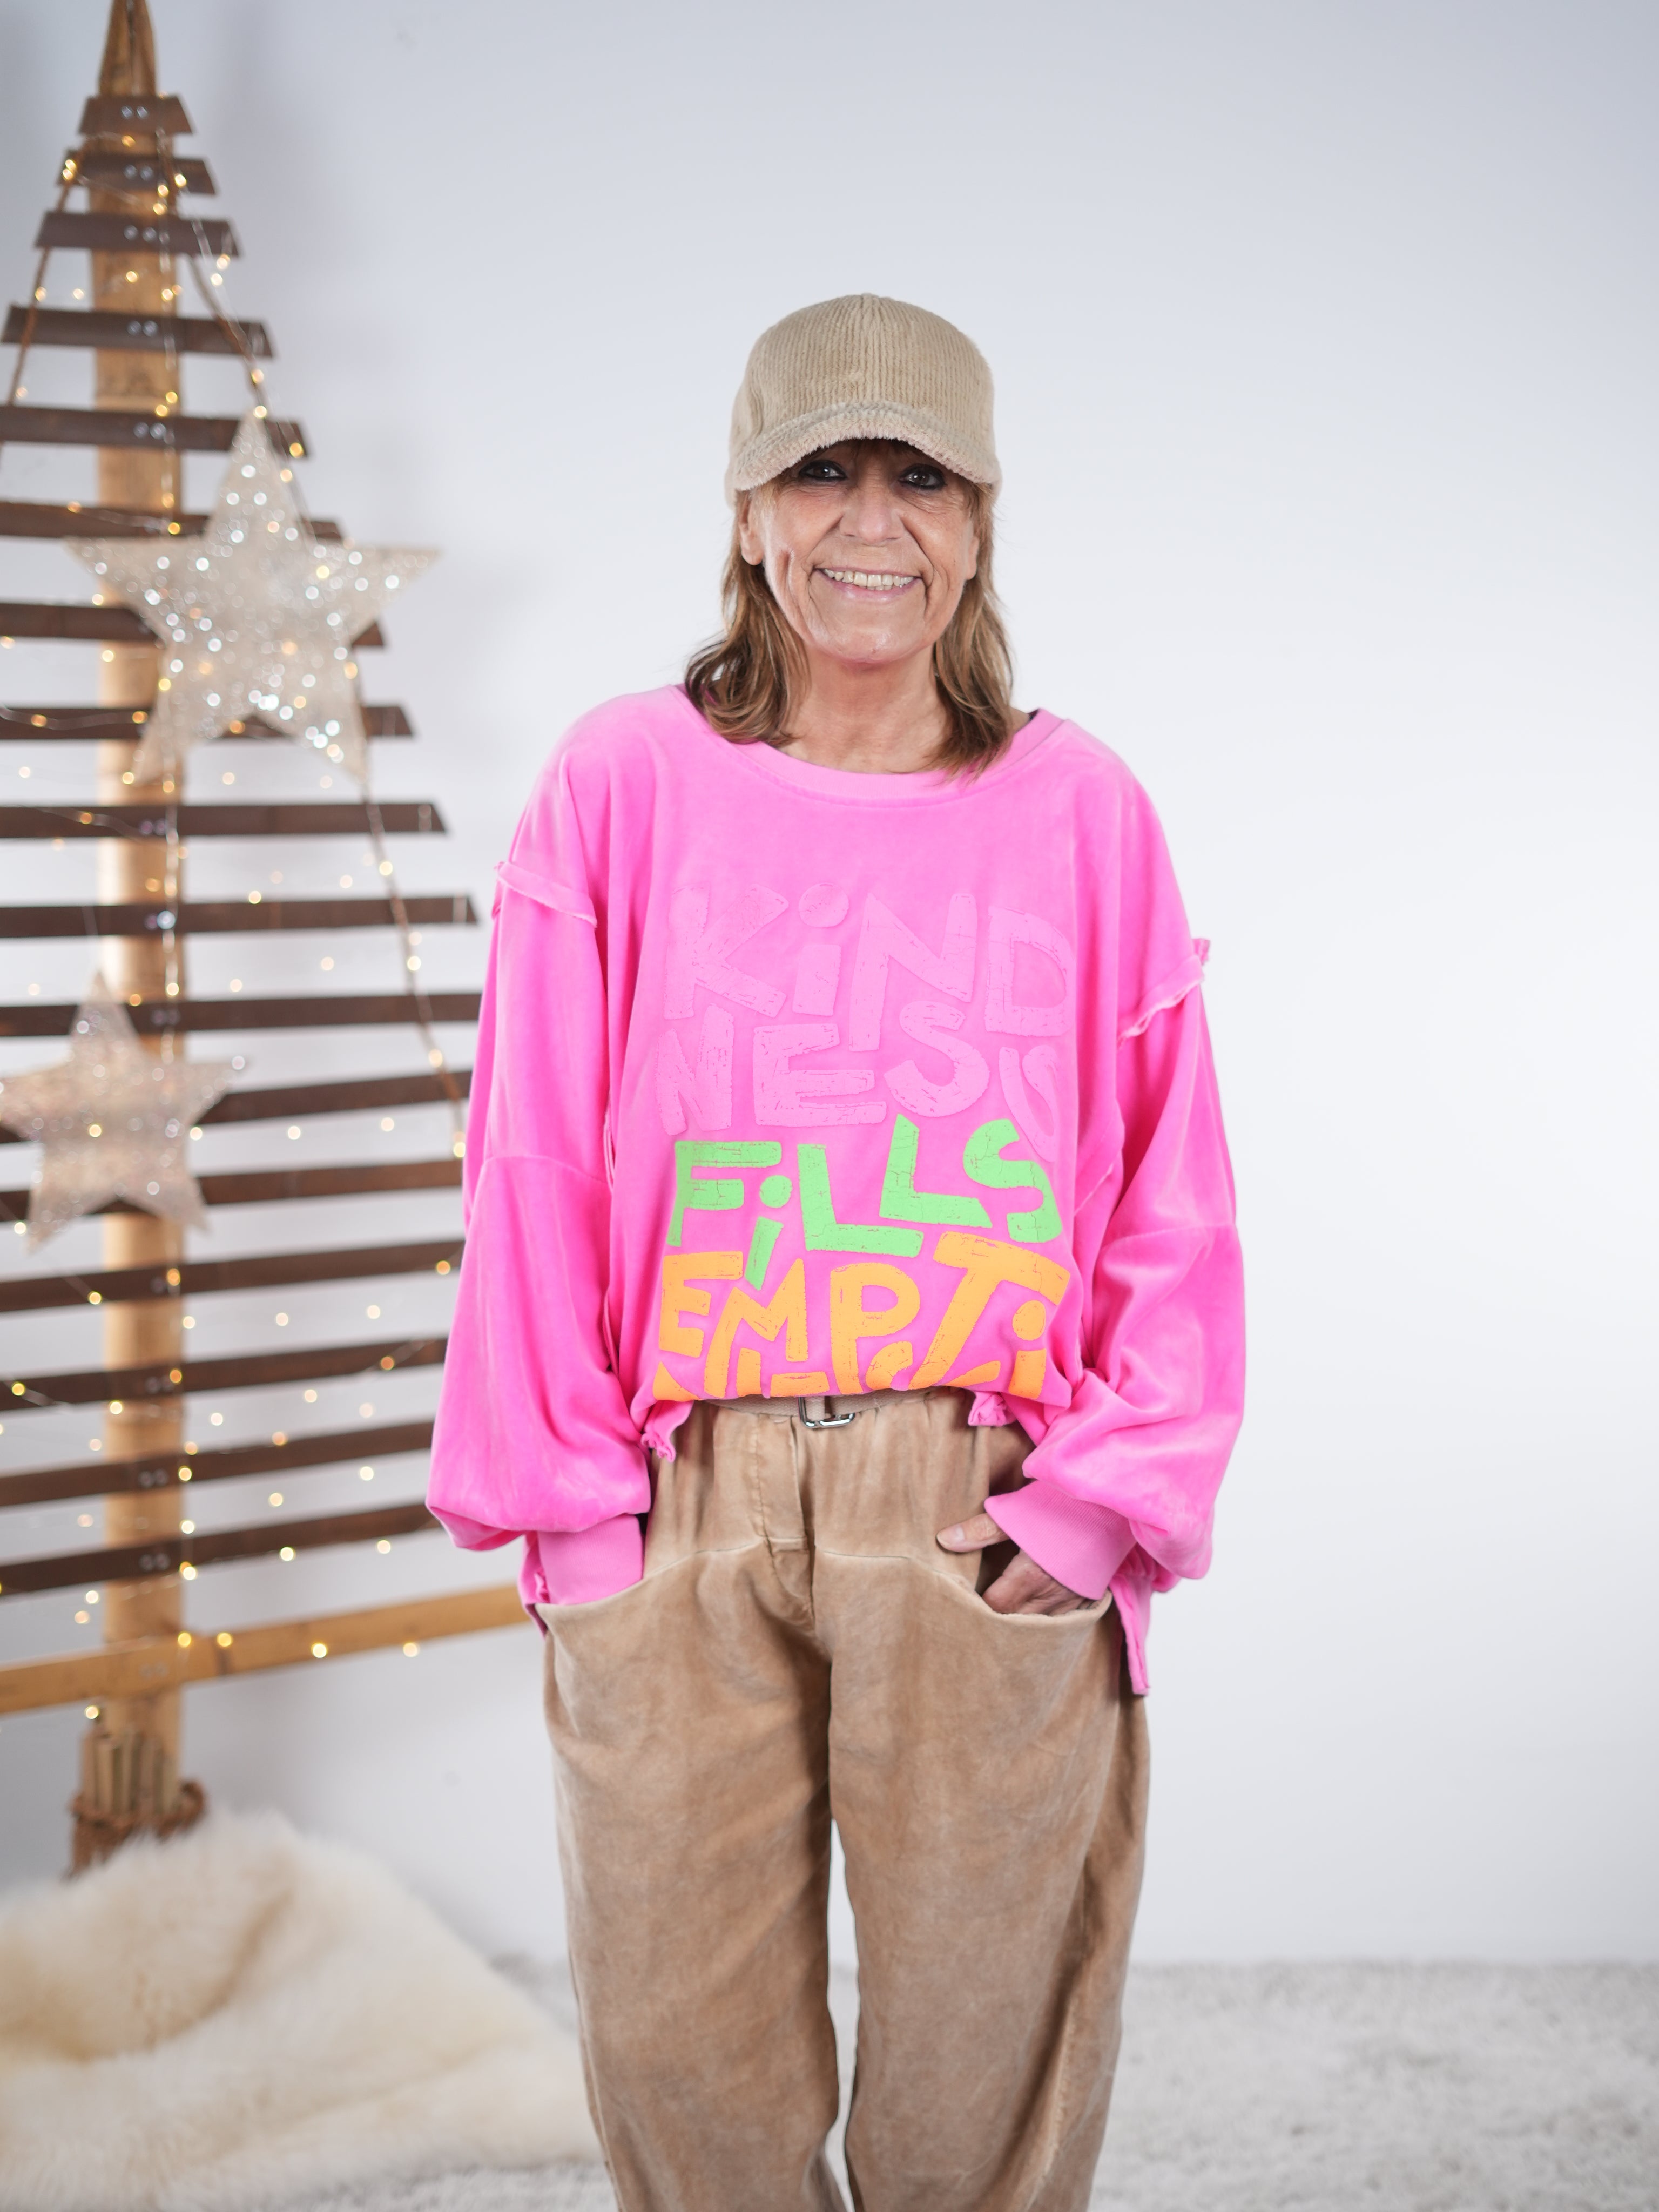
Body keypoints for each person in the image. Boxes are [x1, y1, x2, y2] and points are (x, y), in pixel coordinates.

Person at [428, 293, 1245, 2212]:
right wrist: (578, 1522)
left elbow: (1172, 1187)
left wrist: (1096, 1508)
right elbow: (530, 1160)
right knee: (685, 2077)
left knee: (979, 2087)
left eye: (920, 478)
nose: (871, 522)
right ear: (744, 507)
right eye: (820, 471)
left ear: (978, 519)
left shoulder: (1082, 812)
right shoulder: (621, 787)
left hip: (978, 1497)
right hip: (678, 1493)